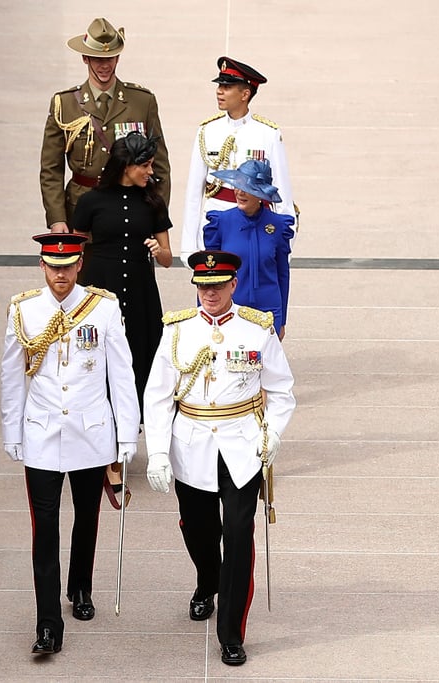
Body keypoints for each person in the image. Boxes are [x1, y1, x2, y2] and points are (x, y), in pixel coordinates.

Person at [142, 250, 296, 667]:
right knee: (198, 529)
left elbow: (282, 391)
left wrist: (273, 434)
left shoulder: (257, 330)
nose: (210, 293)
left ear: (233, 285)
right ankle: (207, 579)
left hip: (242, 446)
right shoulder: (177, 331)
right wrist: (157, 452)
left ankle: (231, 632)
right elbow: (157, 396)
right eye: (203, 286)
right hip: (191, 443)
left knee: (239, 536)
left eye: (217, 285)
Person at [0, 233, 140, 655]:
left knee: (86, 516)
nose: (60, 274)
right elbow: (11, 375)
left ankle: (80, 585)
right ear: (42, 267)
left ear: (80, 265)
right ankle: (47, 624)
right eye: (52, 266)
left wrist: (126, 433)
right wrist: (12, 430)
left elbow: (122, 374)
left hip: (91, 431)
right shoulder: (24, 309)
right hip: (42, 432)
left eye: (67, 266)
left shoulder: (103, 307)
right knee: (44, 530)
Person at [71, 131, 173, 506]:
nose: (150, 171)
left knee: (138, 366)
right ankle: (107, 453)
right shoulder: (91, 201)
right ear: (126, 167)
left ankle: (121, 443)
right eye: (144, 165)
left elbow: (167, 257)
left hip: (142, 296)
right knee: (101, 367)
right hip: (102, 294)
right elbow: (75, 255)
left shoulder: (152, 201)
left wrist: (156, 248)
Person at [40, 17, 170, 236]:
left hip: (131, 210)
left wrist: (156, 216)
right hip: (82, 214)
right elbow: (51, 169)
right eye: (97, 58)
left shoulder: (142, 101)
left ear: (118, 57)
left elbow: (160, 166)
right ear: (85, 58)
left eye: (110, 57)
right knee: (83, 270)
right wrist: (57, 217)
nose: (104, 65)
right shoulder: (65, 104)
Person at [180, 57, 295, 263]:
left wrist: (286, 241)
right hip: (215, 223)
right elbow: (193, 193)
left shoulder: (268, 133)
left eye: (227, 86)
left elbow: (282, 191)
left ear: (245, 93)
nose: (219, 91)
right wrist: (189, 248)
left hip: (255, 222)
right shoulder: (207, 130)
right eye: (219, 86)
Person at [204, 158, 294, 339]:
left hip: (269, 311)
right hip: (231, 309)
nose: (239, 192)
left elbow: (282, 274)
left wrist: (282, 318)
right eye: (237, 185)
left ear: (261, 194)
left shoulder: (278, 225)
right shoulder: (221, 223)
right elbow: (208, 274)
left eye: (247, 188)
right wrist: (205, 315)